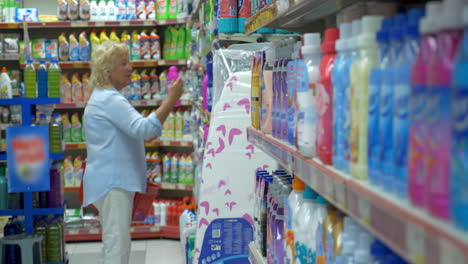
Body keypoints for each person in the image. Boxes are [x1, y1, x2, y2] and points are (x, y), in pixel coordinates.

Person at [82, 41, 183, 264]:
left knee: (115, 242)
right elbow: (146, 131)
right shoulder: (109, 99)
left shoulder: (103, 97)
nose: (130, 68)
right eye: (124, 63)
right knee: (117, 246)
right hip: (113, 183)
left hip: (110, 181)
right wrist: (171, 99)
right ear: (108, 70)